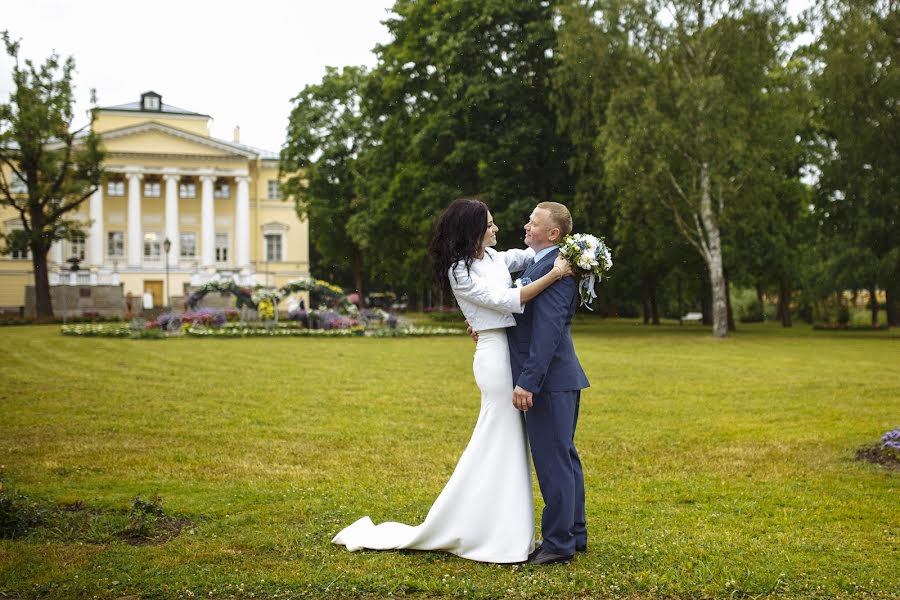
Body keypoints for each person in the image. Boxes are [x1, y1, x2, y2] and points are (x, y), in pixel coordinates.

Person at [331, 198, 572, 563]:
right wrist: (555, 274)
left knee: (505, 441)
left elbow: (528, 256)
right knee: (498, 434)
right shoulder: (459, 271)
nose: (496, 228)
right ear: (473, 231)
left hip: (506, 351)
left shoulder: (492, 259)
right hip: (494, 359)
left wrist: (582, 252)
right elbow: (506, 298)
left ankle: (502, 522)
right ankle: (485, 524)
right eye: (489, 224)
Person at [506, 202, 590, 565]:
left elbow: (548, 331)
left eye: (533, 222)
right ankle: (575, 532)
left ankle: (558, 544)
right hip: (559, 379)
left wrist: (528, 381)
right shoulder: (541, 264)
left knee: (554, 461)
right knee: (564, 458)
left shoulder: (560, 270)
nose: (526, 226)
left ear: (553, 233)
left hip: (550, 380)